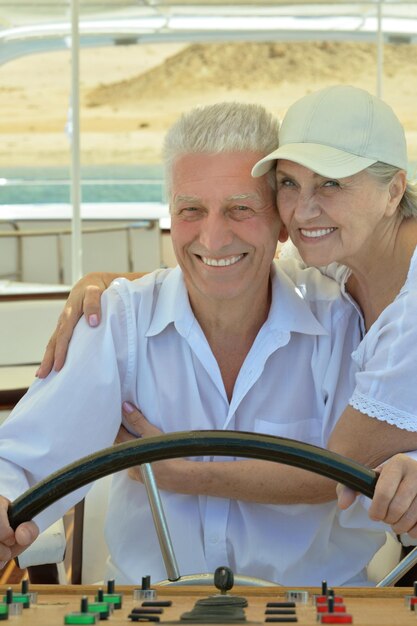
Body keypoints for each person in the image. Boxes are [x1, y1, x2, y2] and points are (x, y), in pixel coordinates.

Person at [0, 101, 393, 587]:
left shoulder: (344, 325)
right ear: (169, 216)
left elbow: (387, 463)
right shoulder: (117, 322)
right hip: (148, 612)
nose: (213, 237)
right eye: (191, 211)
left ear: (281, 223)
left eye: (240, 209)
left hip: (317, 609)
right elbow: (21, 459)